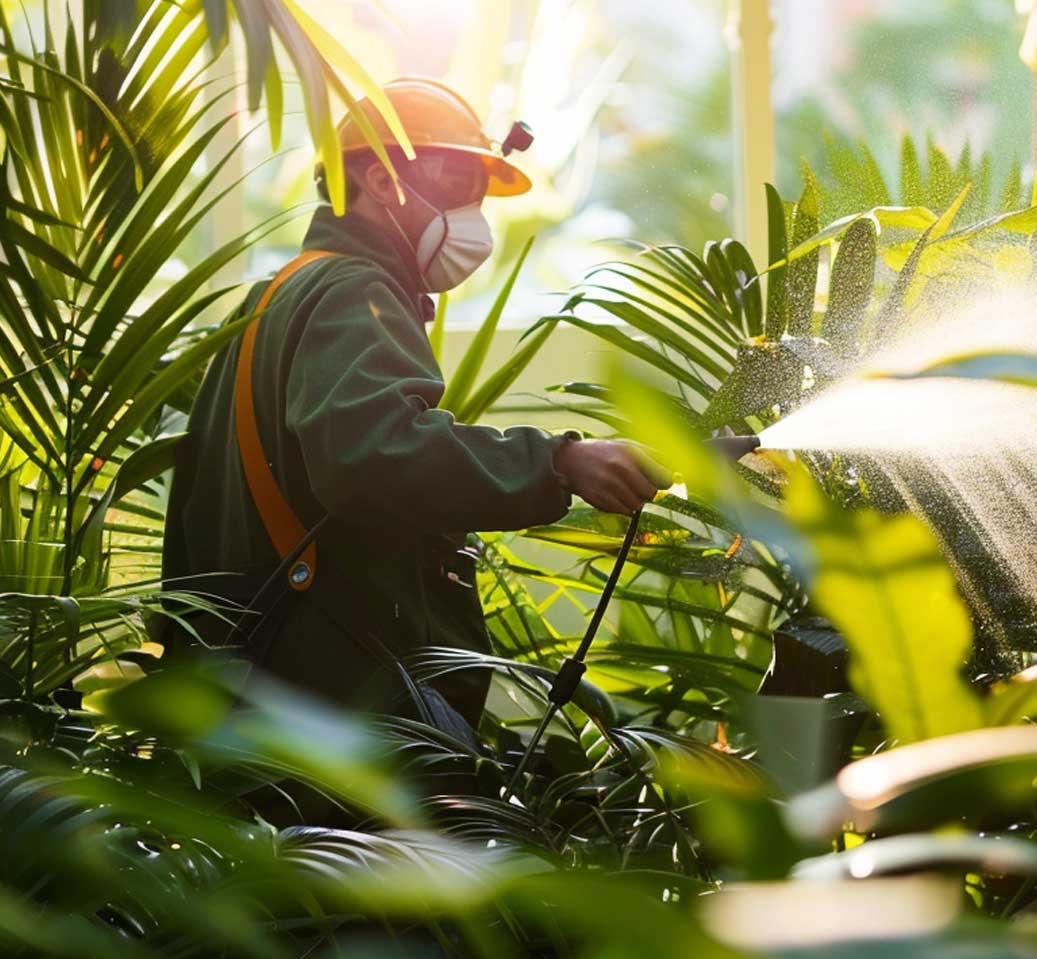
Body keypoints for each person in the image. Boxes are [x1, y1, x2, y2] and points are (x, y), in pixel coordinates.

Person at [162, 78, 662, 733]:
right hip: (335, 702)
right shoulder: (353, 291)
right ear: (377, 180)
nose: (475, 215)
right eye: (456, 183)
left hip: (256, 689)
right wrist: (559, 462)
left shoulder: (276, 292)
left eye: (480, 194)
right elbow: (373, 455)